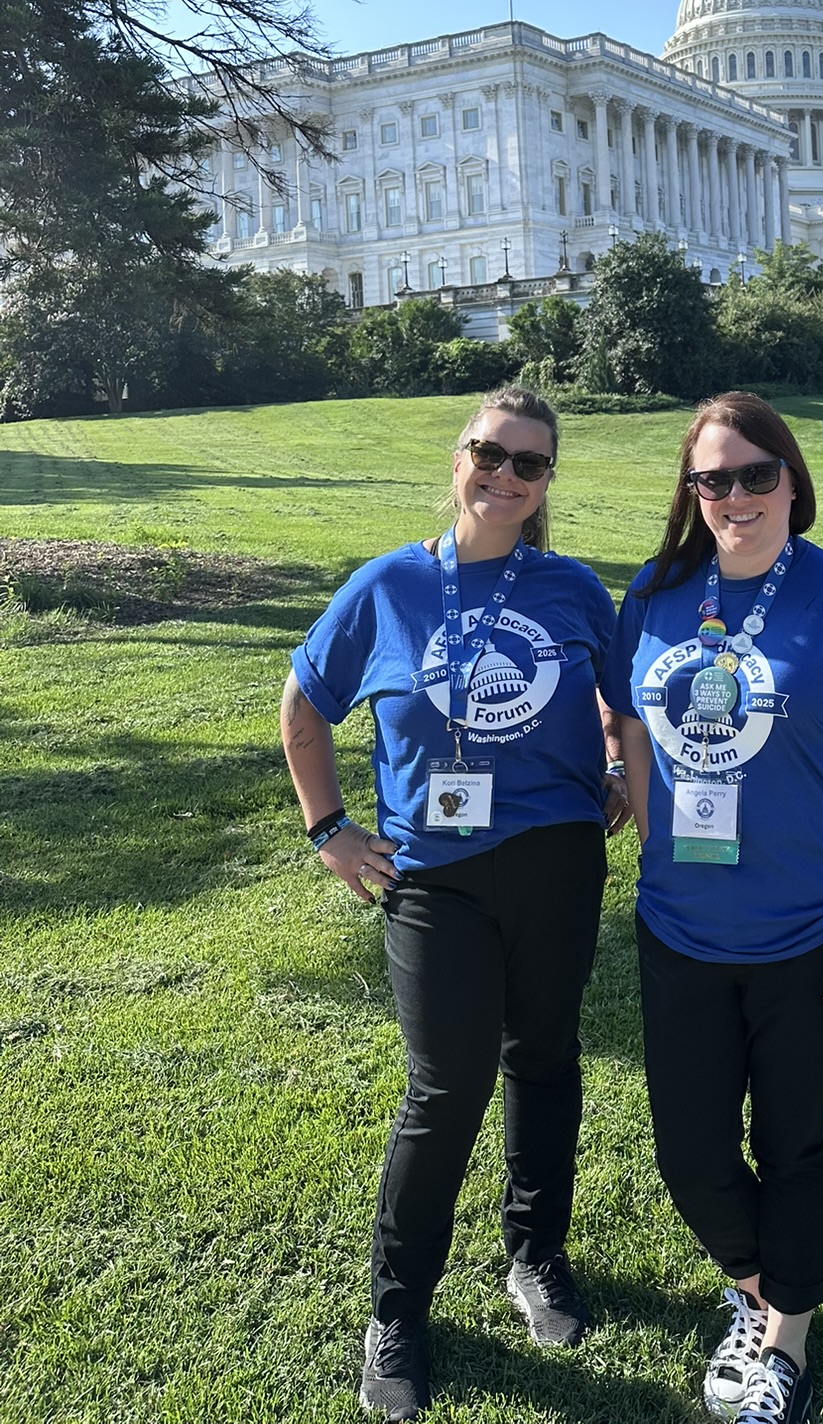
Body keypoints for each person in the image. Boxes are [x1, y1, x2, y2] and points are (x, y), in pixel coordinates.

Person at [280, 386, 630, 1423]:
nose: (507, 476)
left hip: (560, 859)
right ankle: (398, 1312)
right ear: (460, 453)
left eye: (530, 463)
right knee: (444, 1088)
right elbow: (304, 705)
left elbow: (624, 695)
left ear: (547, 481)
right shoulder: (389, 585)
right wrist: (328, 827)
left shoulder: (569, 587)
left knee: (547, 1059)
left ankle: (537, 1254)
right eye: (492, 452)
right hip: (434, 876)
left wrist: (619, 760)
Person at [601, 393, 823, 1424]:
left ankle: (783, 1341)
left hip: (806, 932)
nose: (735, 495)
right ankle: (767, 1285)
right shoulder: (656, 592)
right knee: (690, 1152)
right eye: (713, 479)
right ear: (692, 492)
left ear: (792, 478)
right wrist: (640, 802)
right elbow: (626, 713)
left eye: (755, 474)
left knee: (792, 1143)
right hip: (679, 924)